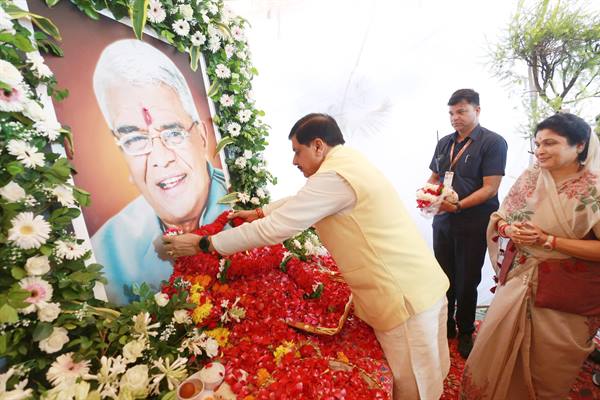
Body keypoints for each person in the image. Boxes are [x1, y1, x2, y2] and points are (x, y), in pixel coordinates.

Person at [164, 113, 451, 400]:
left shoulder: (335, 177)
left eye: (296, 151)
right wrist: (261, 212)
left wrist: (205, 244)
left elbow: (276, 228)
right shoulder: (348, 161)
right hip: (420, 283)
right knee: (432, 372)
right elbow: (303, 201)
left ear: (317, 146)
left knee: (416, 385)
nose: (294, 161)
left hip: (403, 298)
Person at [461, 113, 600, 399]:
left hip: (566, 290)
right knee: (494, 342)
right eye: (537, 144)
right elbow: (500, 217)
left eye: (550, 143)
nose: (540, 150)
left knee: (547, 362)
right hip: (518, 275)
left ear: (580, 146)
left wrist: (548, 240)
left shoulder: (594, 190)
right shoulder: (531, 176)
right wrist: (509, 229)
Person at [91, 39, 228, 304]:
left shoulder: (244, 209)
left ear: (202, 137)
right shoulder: (104, 256)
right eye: (135, 140)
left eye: (173, 133)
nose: (160, 159)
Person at [426, 88, 508, 358]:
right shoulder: (444, 142)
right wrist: (426, 196)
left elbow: (490, 188)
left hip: (473, 222)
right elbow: (435, 178)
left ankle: (465, 330)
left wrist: (459, 205)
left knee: (467, 279)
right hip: (443, 221)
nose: (455, 118)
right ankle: (446, 323)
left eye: (461, 111)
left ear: (477, 110)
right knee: (442, 276)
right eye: (451, 113)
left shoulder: (493, 142)